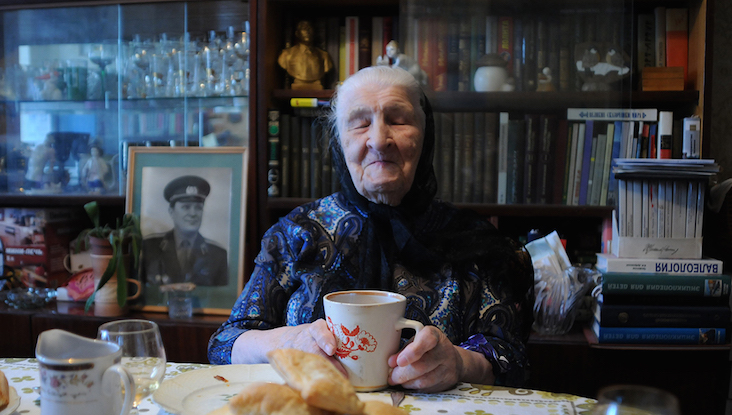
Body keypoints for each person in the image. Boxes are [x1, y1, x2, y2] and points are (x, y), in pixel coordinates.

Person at [208, 66, 534, 393]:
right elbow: (225, 343)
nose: (379, 139)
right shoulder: (296, 232)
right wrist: (289, 340)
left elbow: (511, 358)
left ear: (425, 134)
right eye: (360, 122)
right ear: (339, 141)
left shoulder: (476, 242)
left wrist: (460, 363)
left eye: (397, 119)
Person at [142, 175, 228, 287]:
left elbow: (221, 299)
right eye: (186, 207)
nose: (193, 214)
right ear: (171, 211)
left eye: (198, 208)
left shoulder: (218, 254)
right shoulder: (150, 247)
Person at [278, 20, 334, 89]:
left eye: (309, 28)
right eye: (303, 28)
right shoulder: (286, 55)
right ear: (297, 33)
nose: (307, 31)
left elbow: (327, 67)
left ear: (314, 32)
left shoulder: (324, 56)